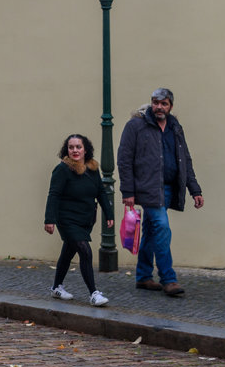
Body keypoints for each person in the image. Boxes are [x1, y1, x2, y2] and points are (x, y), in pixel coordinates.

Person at [117, 87, 203, 297]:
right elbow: (124, 159)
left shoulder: (175, 127)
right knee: (163, 228)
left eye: (164, 103)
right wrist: (127, 191)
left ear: (170, 106)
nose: (159, 107)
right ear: (151, 103)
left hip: (168, 188)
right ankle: (168, 279)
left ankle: (143, 276)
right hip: (148, 188)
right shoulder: (136, 125)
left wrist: (195, 189)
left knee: (151, 232)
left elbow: (185, 159)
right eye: (156, 102)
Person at [44, 134, 114, 306]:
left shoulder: (92, 168)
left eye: (78, 147)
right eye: (71, 147)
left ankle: (56, 288)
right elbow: (54, 194)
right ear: (66, 150)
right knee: (85, 251)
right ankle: (94, 293)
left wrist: (109, 214)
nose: (75, 150)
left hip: (86, 219)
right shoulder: (62, 169)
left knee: (68, 253)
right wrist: (49, 219)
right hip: (67, 219)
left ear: (85, 149)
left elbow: (101, 192)